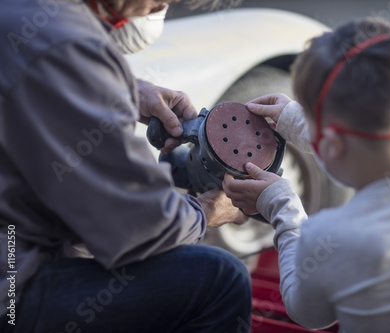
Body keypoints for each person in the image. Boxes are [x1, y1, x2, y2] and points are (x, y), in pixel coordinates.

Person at [223, 18, 390, 332]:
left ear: (331, 145)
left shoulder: (335, 237)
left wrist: (281, 204)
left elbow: (306, 314)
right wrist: (305, 126)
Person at [0, 0, 251, 332]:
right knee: (221, 278)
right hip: (11, 294)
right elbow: (137, 225)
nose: (166, 3)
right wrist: (206, 210)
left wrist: (122, 88)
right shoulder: (66, 43)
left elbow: (37, 67)